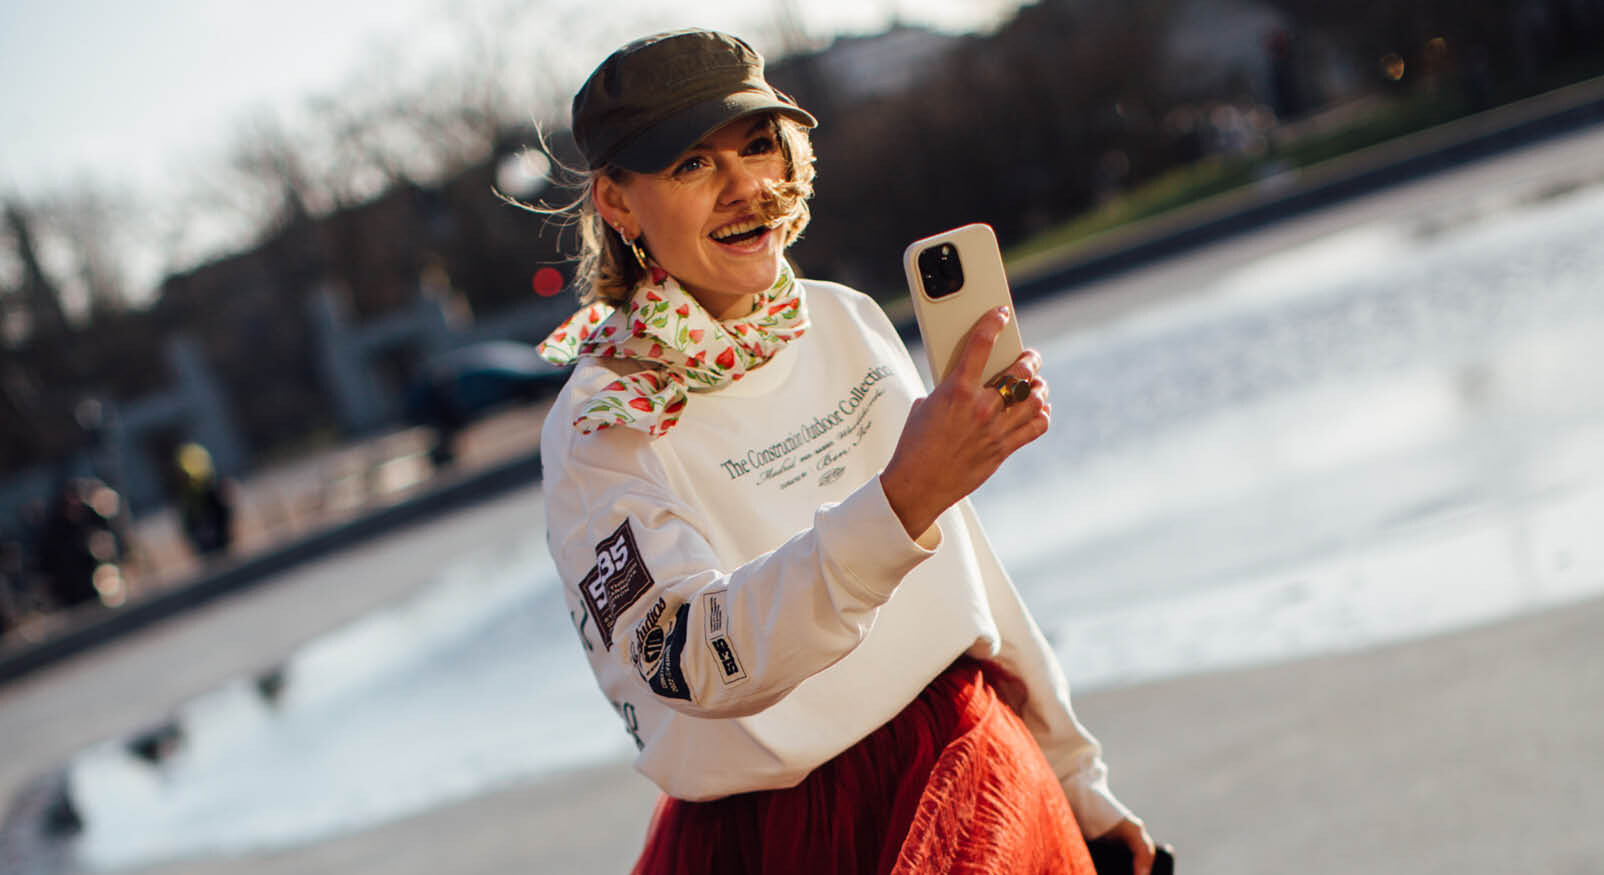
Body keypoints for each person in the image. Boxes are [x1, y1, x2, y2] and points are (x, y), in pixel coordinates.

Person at [536, 29, 1156, 874]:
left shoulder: (842, 319)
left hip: (978, 768)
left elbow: (971, 577)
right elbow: (686, 661)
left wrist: (1078, 775)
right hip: (786, 839)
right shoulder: (600, 424)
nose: (746, 186)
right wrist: (899, 502)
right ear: (615, 201)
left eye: (759, 145)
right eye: (692, 164)